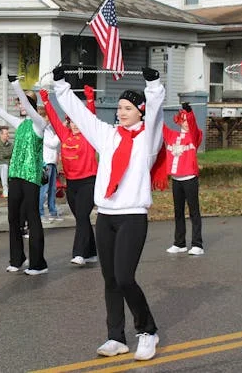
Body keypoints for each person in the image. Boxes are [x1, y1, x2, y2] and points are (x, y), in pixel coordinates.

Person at [53, 65, 165, 362]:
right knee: (110, 280)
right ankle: (116, 336)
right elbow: (80, 115)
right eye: (119, 107)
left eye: (128, 107)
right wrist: (61, 84)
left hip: (132, 216)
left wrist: (153, 86)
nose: (121, 111)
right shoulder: (108, 135)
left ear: (140, 111)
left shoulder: (148, 139)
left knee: (125, 277)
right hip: (105, 215)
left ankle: (148, 330)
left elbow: (155, 112)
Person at [0, 78, 48, 275]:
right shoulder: (21, 123)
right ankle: (17, 259)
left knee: (32, 218)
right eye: (19, 102)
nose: (19, 105)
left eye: (23, 102)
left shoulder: (39, 123)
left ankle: (38, 264)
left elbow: (27, 105)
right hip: (16, 175)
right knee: (13, 219)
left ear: (32, 105)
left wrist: (16, 85)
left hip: (31, 177)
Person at [40, 85, 99, 266]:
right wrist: (46, 101)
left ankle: (79, 253)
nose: (74, 124)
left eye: (76, 121)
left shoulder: (89, 135)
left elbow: (91, 118)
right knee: (81, 219)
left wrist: (90, 100)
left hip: (88, 182)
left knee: (81, 217)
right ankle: (91, 252)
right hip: (71, 184)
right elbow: (54, 120)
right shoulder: (65, 136)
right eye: (71, 121)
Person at [163, 102, 204, 255]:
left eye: (188, 120)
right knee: (178, 212)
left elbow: (193, 127)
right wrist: (151, 108)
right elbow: (159, 126)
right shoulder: (172, 135)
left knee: (194, 211)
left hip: (190, 178)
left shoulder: (195, 135)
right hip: (176, 179)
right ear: (179, 120)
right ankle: (179, 243)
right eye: (184, 119)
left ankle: (197, 244)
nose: (186, 123)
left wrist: (190, 112)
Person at [38, 106, 61, 222]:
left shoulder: (49, 129)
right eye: (47, 116)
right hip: (45, 164)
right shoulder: (42, 130)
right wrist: (60, 134)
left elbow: (55, 147)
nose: (49, 118)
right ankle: (40, 213)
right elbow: (52, 143)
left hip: (51, 163)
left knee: (52, 188)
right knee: (44, 189)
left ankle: (53, 211)